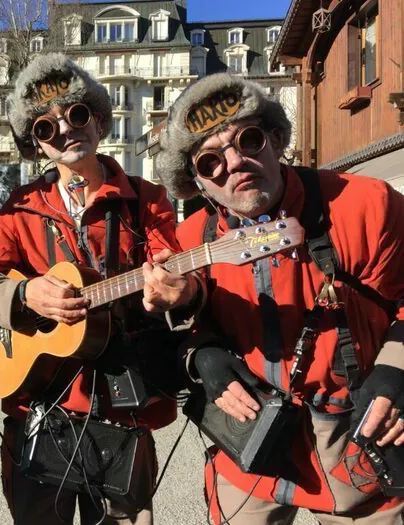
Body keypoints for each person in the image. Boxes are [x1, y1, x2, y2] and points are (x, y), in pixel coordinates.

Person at [0, 53, 204, 525]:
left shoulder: (144, 201)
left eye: (76, 114)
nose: (66, 130)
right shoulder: (19, 208)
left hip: (122, 412)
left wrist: (177, 293)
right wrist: (25, 297)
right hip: (37, 408)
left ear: (98, 119)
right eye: (46, 128)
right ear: (36, 144)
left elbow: (175, 275)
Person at [156, 72, 404, 524]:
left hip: (357, 445)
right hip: (247, 454)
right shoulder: (191, 239)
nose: (232, 163)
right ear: (197, 183)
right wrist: (202, 353)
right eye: (209, 162)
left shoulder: (365, 203)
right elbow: (185, 326)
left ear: (274, 138)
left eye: (247, 140)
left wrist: (394, 375)